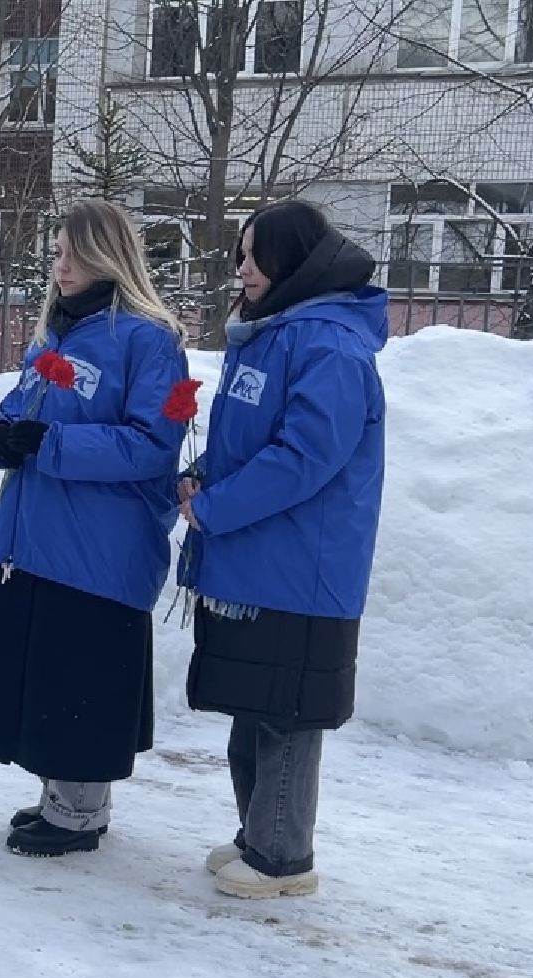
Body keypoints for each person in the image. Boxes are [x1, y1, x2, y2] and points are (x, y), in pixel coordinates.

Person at [0, 199, 189, 858]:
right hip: (38, 540)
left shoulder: (147, 339)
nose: (56, 265)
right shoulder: (53, 337)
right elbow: (13, 411)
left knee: (81, 675)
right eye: (54, 252)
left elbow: (151, 443)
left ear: (103, 255)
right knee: (47, 672)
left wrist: (49, 443)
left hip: (98, 547)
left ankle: (80, 809)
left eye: (68, 252)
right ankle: (59, 795)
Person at [177, 199, 387, 899]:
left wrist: (212, 508)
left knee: (286, 713)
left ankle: (282, 857)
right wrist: (200, 475)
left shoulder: (328, 344)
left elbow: (304, 457)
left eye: (252, 255)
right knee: (254, 699)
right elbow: (248, 440)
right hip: (257, 557)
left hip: (301, 566)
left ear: (292, 261)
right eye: (240, 253)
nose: (240, 268)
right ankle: (257, 833)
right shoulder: (271, 335)